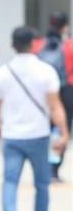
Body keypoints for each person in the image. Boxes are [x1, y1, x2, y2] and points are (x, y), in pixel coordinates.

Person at [0, 26, 69, 211]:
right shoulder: (45, 71)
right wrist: (64, 132)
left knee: (10, 181)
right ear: (35, 43)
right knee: (42, 184)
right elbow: (55, 106)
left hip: (12, 135)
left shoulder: (3, 72)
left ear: (12, 45)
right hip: (38, 135)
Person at [31, 11, 73, 182]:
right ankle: (53, 169)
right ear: (65, 26)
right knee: (61, 130)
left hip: (42, 93)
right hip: (66, 92)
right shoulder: (69, 46)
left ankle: (41, 168)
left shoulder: (38, 45)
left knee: (43, 130)